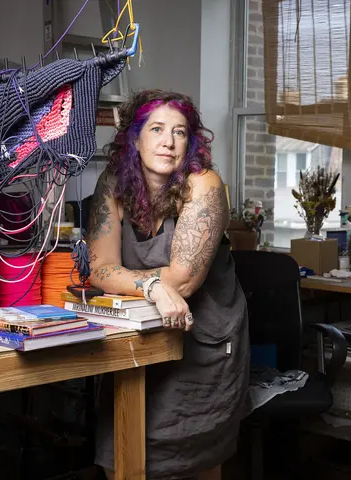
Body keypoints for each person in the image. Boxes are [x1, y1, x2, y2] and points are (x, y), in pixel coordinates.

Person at [88, 90, 249, 480]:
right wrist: (153, 288)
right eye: (156, 128)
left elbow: (183, 279)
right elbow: (99, 269)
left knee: (197, 458)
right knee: (121, 449)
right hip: (137, 340)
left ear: (190, 142)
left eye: (179, 132)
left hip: (203, 343)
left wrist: (146, 283)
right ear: (135, 137)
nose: (168, 141)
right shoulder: (112, 185)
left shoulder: (205, 185)